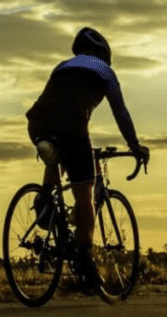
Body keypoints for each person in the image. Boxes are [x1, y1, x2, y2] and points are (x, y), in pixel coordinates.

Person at [25, 27, 150, 288]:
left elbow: (56, 102)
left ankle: (45, 198)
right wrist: (134, 145)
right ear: (101, 53)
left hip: (37, 123)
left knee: (56, 156)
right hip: (72, 128)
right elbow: (121, 112)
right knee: (85, 194)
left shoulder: (62, 65)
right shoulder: (104, 71)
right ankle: (85, 258)